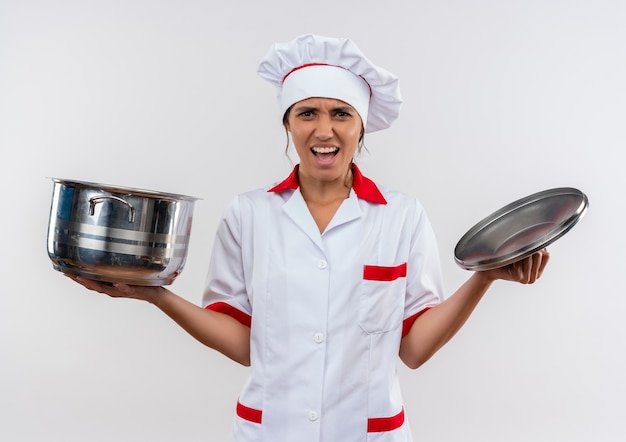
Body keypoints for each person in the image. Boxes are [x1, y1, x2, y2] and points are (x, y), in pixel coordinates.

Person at [67, 34, 550, 441]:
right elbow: (243, 343)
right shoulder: (249, 214)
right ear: (287, 124)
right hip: (269, 430)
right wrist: (155, 296)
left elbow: (414, 349)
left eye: (341, 113)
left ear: (362, 125)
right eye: (308, 113)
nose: (325, 129)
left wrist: (484, 278)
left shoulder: (401, 216)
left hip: (369, 432)